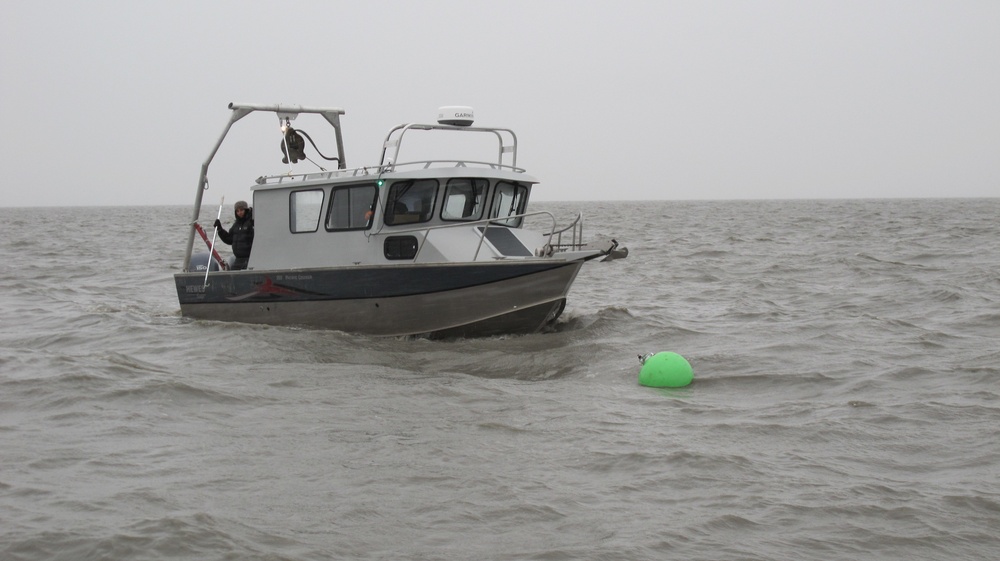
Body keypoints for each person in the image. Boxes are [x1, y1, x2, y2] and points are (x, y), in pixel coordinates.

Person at [214, 200, 254, 270]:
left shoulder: (252, 222)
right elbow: (229, 239)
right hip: (238, 260)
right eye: (237, 211)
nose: (239, 213)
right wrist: (220, 229)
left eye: (241, 210)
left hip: (249, 259)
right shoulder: (236, 225)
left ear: (246, 210)